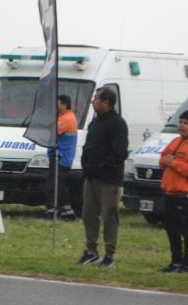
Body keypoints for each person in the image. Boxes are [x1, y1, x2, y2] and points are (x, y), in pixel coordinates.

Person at [76, 88, 128, 268]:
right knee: (88, 214)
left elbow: (120, 152)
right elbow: (88, 146)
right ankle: (91, 251)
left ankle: (109, 254)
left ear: (106, 102)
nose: (93, 102)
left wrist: (102, 166)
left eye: (96, 99)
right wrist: (86, 163)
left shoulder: (117, 123)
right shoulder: (94, 122)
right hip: (90, 178)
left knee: (109, 216)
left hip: (108, 180)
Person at [159, 109, 188, 274]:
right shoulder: (175, 141)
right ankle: (175, 261)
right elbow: (162, 159)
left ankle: (187, 264)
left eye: (186, 123)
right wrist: (167, 161)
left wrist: (174, 163)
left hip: (186, 195)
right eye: (181, 122)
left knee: (187, 230)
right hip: (170, 193)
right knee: (172, 229)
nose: (181, 126)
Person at [44, 94, 78, 220]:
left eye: (57, 103)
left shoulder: (66, 119)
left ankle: (51, 211)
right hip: (64, 158)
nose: (55, 106)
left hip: (60, 157)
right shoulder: (67, 117)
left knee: (53, 186)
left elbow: (52, 132)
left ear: (64, 104)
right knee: (62, 186)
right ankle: (68, 212)